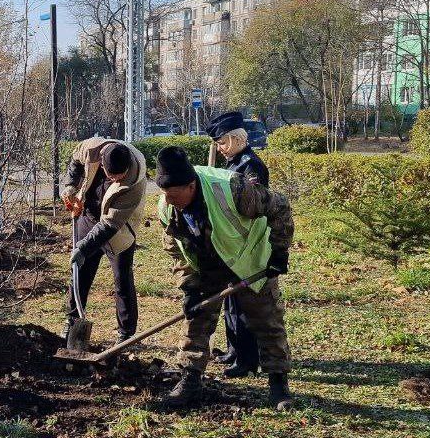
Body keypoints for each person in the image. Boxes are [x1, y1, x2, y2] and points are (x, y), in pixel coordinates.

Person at [155, 146, 294, 410]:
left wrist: (278, 253)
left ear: (191, 185)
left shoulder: (231, 189)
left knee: (267, 320)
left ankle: (278, 384)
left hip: (250, 259)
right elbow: (176, 249)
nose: (170, 201)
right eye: (166, 196)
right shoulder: (166, 207)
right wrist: (189, 288)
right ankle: (190, 380)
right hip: (207, 264)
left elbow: (280, 207)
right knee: (196, 320)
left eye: (175, 196)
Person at [62, 138, 147, 346]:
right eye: (113, 176)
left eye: (121, 176)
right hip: (89, 214)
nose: (118, 179)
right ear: (102, 163)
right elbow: (75, 160)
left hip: (118, 226)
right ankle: (72, 320)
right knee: (80, 273)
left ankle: (127, 333)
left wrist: (83, 247)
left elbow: (110, 224)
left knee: (122, 279)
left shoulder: (135, 179)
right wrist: (71, 185)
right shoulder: (91, 149)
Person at [206, 112, 270, 379]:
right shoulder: (232, 163)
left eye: (222, 143)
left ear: (235, 139)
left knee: (243, 304)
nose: (219, 149)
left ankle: (247, 359)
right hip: (229, 242)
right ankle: (234, 349)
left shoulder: (251, 166)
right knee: (230, 301)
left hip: (245, 243)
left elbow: (251, 207)